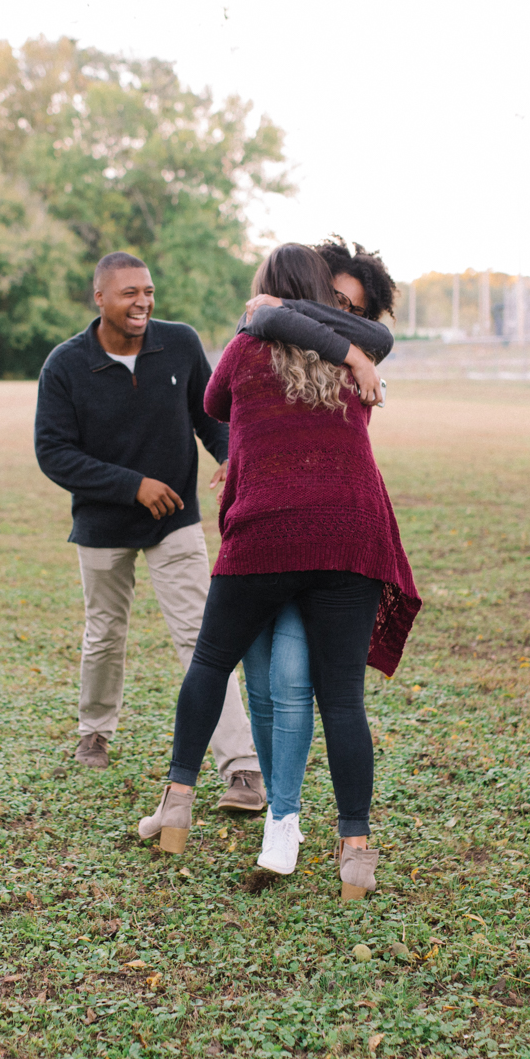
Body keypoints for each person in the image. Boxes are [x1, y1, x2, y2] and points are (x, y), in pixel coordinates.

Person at [132, 244, 420, 900]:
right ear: (322, 296)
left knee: (209, 664)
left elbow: (213, 402)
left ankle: (176, 804)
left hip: (265, 533)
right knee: (342, 698)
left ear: (267, 295)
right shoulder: (356, 368)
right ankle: (355, 851)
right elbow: (360, 341)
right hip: (350, 535)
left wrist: (258, 321)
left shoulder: (243, 350)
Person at [33, 251, 265, 810]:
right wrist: (132, 485)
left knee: (202, 638)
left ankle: (243, 770)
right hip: (103, 523)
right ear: (100, 298)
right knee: (105, 634)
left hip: (175, 521)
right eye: (129, 293)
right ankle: (95, 731)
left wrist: (230, 453)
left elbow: (211, 413)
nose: (142, 302)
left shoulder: (179, 343)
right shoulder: (65, 365)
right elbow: (53, 452)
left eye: (148, 292)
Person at [232, 239, 398, 876]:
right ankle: (282, 814)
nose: (335, 314)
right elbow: (230, 397)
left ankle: (288, 819)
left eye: (350, 309)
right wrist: (236, 459)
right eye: (330, 299)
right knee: (261, 679)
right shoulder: (265, 336)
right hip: (261, 524)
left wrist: (351, 348)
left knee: (294, 679)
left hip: (327, 537)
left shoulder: (352, 361)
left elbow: (278, 315)